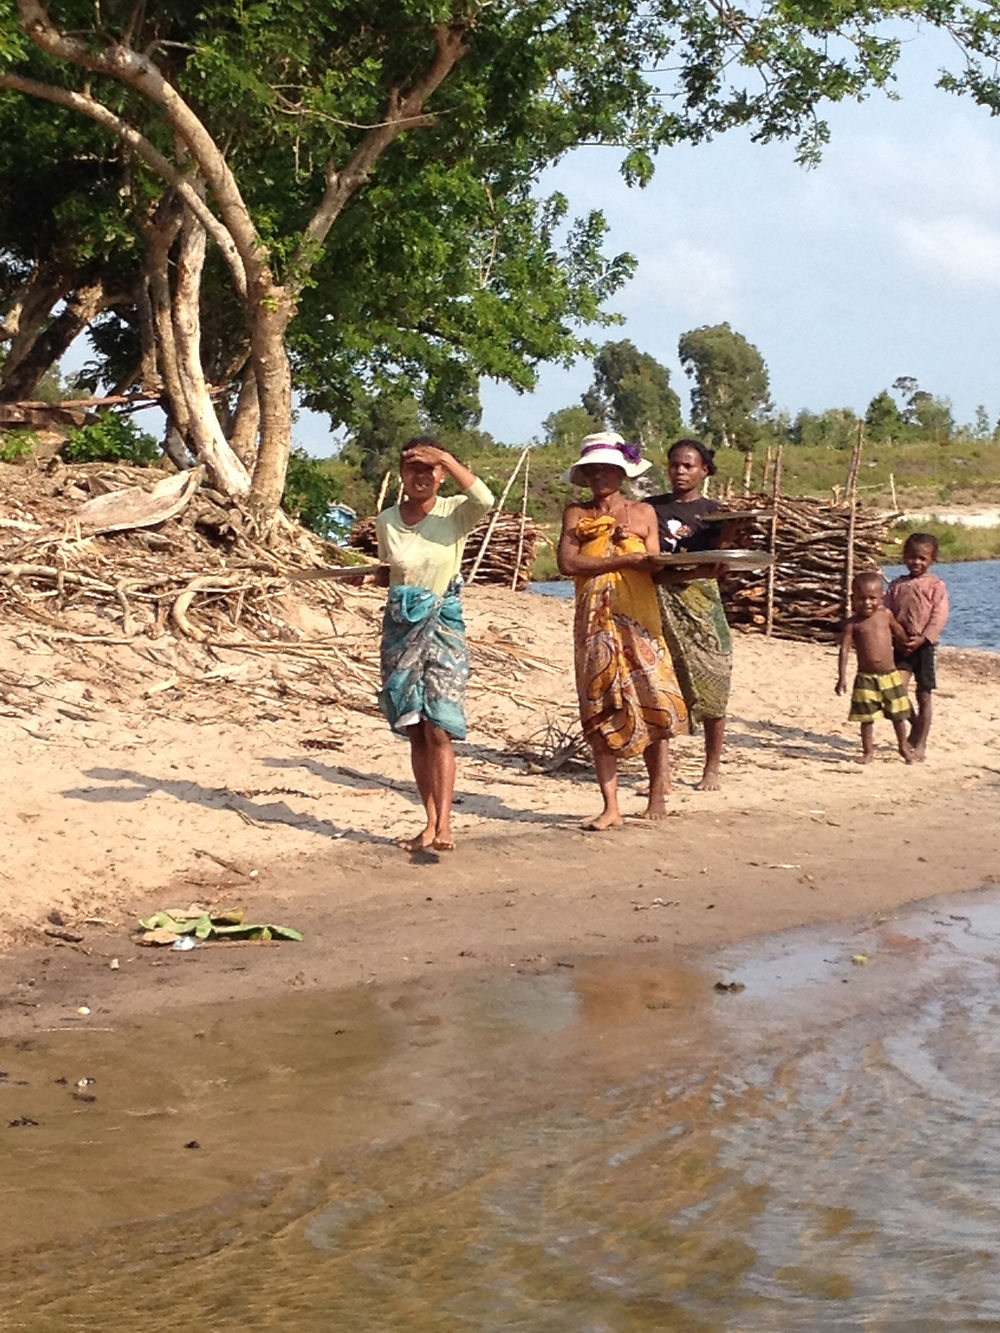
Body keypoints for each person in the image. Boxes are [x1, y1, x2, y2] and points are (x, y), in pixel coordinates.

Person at [557, 431, 688, 830]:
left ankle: (655, 792)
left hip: (640, 619)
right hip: (595, 624)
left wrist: (692, 569)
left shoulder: (644, 514)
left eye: (607, 470)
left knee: (653, 702)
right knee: (600, 707)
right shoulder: (577, 516)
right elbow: (568, 564)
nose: (600, 477)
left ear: (622, 473)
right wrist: (621, 563)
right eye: (593, 471)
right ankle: (610, 804)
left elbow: (655, 566)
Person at [374, 437, 494, 852]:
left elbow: (484, 496)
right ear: (402, 475)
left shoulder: (454, 515)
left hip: (443, 629)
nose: (421, 477)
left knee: (440, 726)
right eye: (413, 469)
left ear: (442, 475)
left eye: (430, 470)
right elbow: (394, 573)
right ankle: (427, 822)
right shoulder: (387, 520)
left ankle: (445, 825)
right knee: (416, 730)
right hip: (401, 632)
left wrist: (443, 456)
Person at [646, 439, 731, 791]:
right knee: (657, 685)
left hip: (701, 603)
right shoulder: (651, 509)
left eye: (688, 466)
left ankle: (711, 766)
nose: (680, 471)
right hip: (657, 599)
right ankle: (661, 773)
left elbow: (719, 566)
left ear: (703, 471)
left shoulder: (714, 514)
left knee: (715, 678)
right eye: (674, 465)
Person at [836, 570, 913, 765]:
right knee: (866, 717)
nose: (867, 603)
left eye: (872, 598)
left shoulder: (885, 615)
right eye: (862, 599)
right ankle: (868, 751)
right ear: (853, 599)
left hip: (890, 675)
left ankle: (903, 746)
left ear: (881, 598)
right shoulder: (853, 624)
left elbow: (899, 633)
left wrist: (910, 643)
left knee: (898, 715)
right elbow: (844, 651)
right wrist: (842, 677)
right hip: (865, 678)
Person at [884, 532, 949, 761]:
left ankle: (921, 742)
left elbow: (939, 616)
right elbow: (886, 613)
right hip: (901, 645)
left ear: (932, 559)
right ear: (904, 557)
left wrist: (925, 638)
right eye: (912, 557)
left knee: (924, 695)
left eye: (922, 558)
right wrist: (895, 635)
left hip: (924, 647)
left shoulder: (935, 586)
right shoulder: (895, 586)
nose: (916, 562)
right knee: (896, 692)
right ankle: (915, 724)